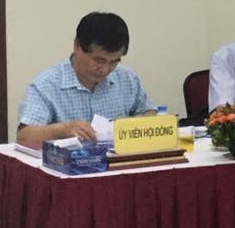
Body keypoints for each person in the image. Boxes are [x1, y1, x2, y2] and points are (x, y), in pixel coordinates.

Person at [17, 12, 155, 143]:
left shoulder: (127, 78)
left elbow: (150, 113)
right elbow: (24, 136)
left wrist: (135, 123)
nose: (106, 69)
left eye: (114, 61)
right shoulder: (46, 85)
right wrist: (62, 130)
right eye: (99, 60)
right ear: (77, 46)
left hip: (118, 157)